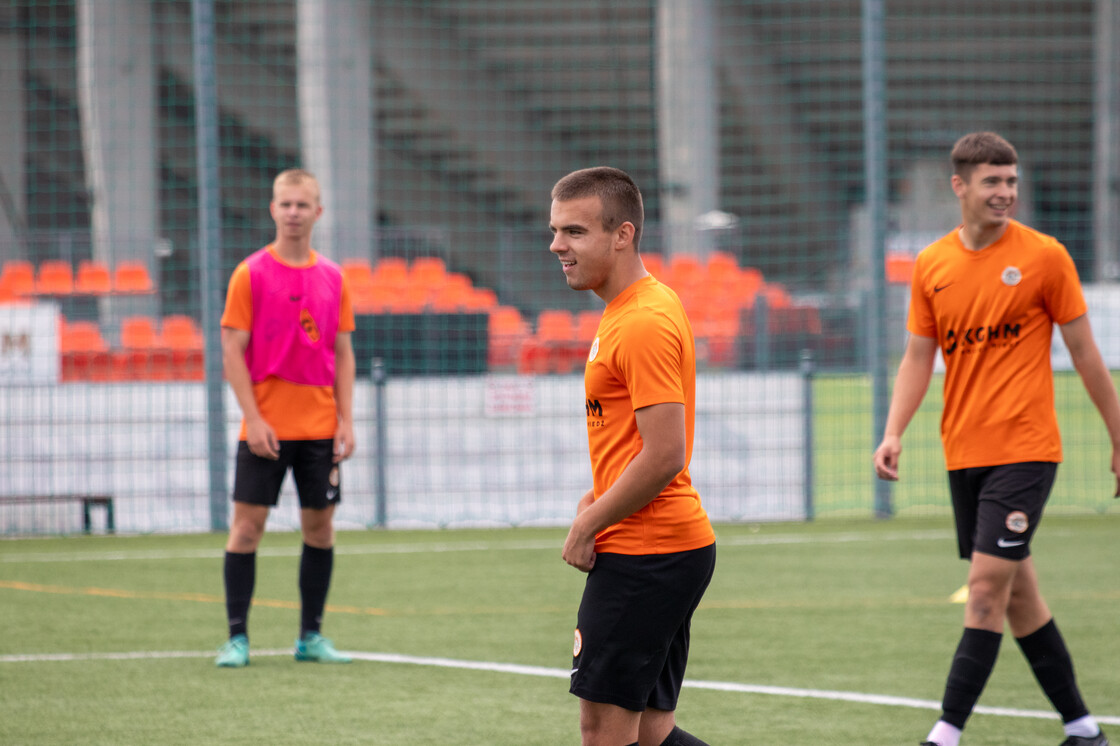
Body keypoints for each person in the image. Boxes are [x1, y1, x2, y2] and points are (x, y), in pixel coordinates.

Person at [873, 132, 1120, 746]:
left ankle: (945, 733)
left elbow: (1088, 356)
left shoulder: (1045, 257)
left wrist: (1119, 438)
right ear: (960, 186)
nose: (1005, 193)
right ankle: (1084, 730)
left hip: (1027, 450)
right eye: (992, 182)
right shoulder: (932, 265)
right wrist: (893, 431)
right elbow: (917, 357)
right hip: (965, 454)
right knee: (1018, 598)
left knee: (984, 591)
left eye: (1011, 181)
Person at [551, 166, 716, 746]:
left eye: (574, 231)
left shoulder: (642, 319)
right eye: (556, 231)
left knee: (603, 730)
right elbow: (635, 439)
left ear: (622, 234)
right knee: (649, 733)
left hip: (647, 552)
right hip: (662, 547)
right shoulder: (630, 307)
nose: (556, 246)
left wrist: (589, 521)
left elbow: (667, 452)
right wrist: (597, 493)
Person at [215, 168, 357, 668]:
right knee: (246, 530)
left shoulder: (335, 277)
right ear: (272, 209)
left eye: (303, 205)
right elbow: (232, 351)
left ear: (318, 212)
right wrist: (252, 418)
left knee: (319, 530)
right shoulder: (249, 273)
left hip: (319, 429)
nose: (293, 212)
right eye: (285, 204)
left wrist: (347, 420)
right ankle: (237, 639)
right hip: (265, 429)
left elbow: (342, 352)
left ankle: (310, 638)